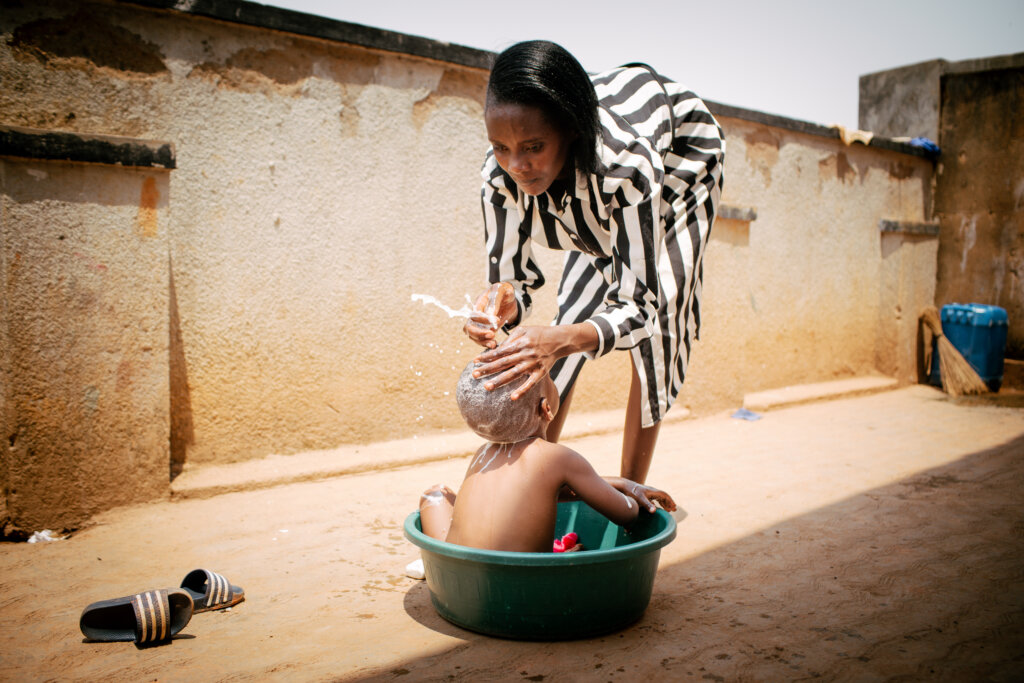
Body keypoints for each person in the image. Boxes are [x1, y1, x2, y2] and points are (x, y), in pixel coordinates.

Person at [464, 41, 725, 484]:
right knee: (567, 320)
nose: (517, 165)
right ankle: (534, 483)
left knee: (657, 324)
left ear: (570, 131)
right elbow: (511, 280)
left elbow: (639, 306)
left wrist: (558, 341)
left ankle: (633, 493)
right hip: (596, 182)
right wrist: (501, 300)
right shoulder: (499, 173)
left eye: (532, 146)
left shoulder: (625, 166)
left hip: (682, 159)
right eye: (501, 147)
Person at [418, 363, 676, 552]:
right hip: (521, 588)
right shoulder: (557, 457)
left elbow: (535, 494)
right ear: (547, 408)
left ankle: (435, 564)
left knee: (437, 494)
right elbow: (625, 515)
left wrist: (620, 483)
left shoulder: (483, 454)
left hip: (460, 585)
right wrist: (632, 498)